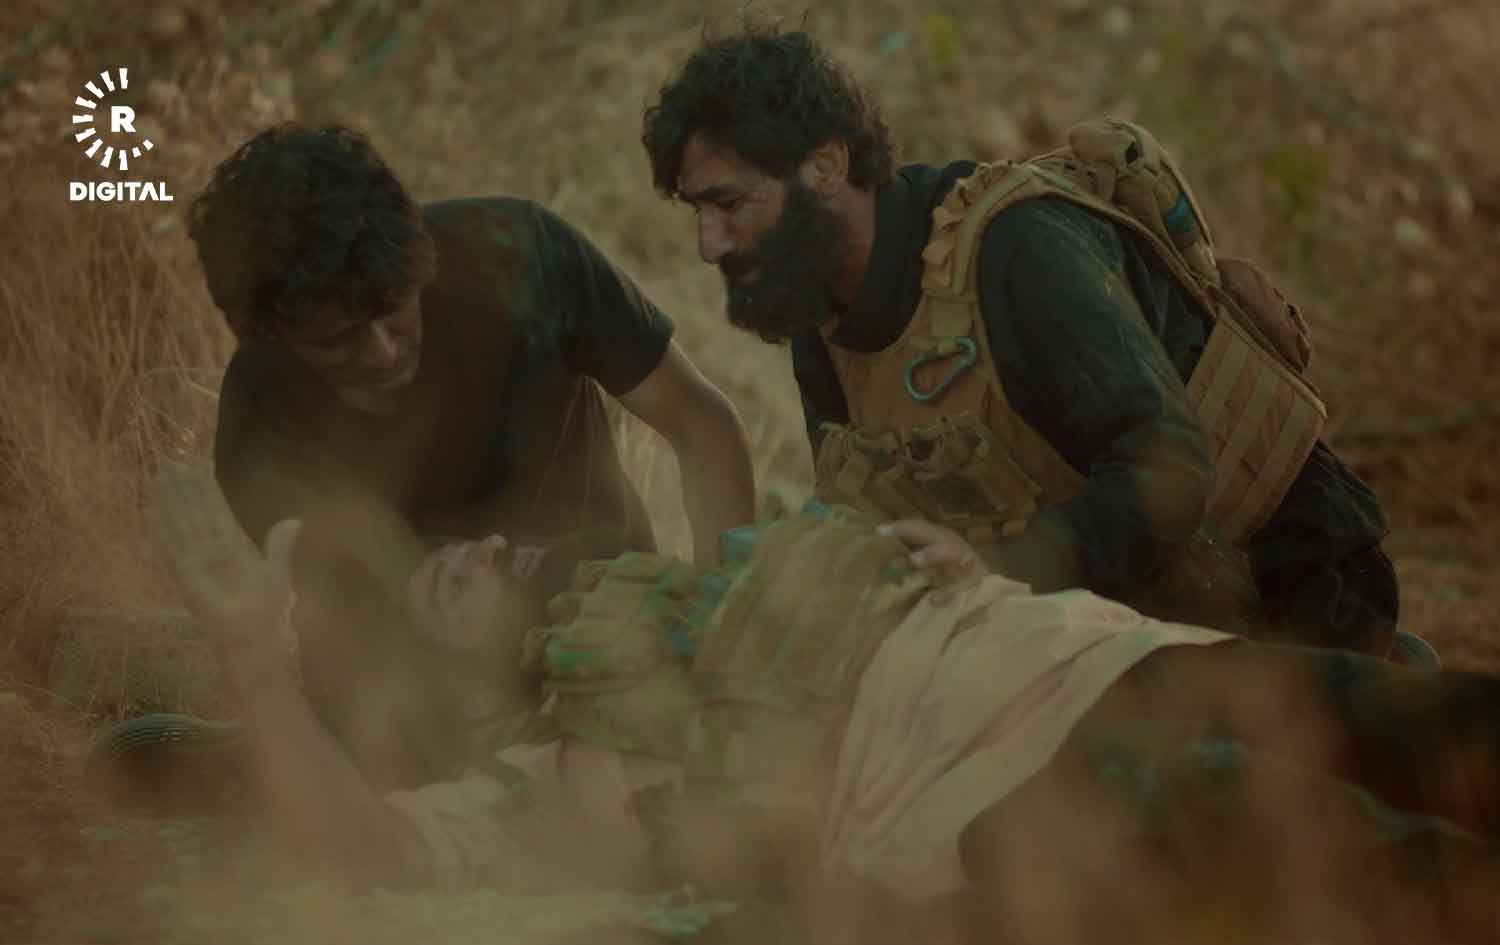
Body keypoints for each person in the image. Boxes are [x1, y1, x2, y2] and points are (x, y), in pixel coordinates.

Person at [146, 462, 1500, 944]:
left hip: (1096, 656)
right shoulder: (546, 780)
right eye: (448, 581)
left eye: (478, 541)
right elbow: (367, 847)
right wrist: (257, 670)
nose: (486, 547)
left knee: (1415, 721)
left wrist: (958, 560)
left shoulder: (691, 583)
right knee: (1332, 848)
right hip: (1012, 800)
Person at [638, 26, 1434, 667]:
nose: (709, 244)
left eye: (730, 204)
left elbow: (1171, 471)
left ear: (824, 167)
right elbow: (869, 525)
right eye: (696, 212)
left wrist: (992, 571)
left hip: (1290, 591)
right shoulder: (822, 318)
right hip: (1108, 633)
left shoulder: (1018, 247)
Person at [163, 122, 756, 789]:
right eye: (337, 340)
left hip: (604, 639)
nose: (383, 351)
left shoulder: (518, 257)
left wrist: (724, 634)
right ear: (274, 338)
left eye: (393, 308)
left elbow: (701, 427)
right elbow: (356, 632)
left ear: (418, 261)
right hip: (415, 700)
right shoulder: (261, 426)